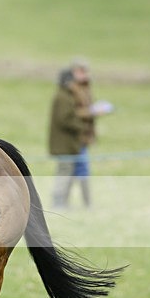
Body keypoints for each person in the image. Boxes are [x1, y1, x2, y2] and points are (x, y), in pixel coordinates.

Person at [48, 57, 112, 209]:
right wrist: (84, 122)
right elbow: (65, 118)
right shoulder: (63, 96)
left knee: (76, 170)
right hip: (67, 142)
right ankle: (60, 203)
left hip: (77, 141)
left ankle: (76, 203)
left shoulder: (78, 91)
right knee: (65, 171)